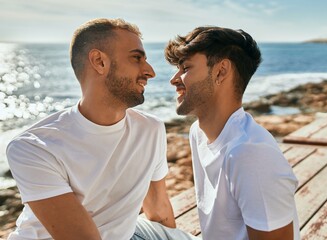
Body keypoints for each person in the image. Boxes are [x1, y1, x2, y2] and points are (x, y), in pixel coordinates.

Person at [6, 18, 198, 240]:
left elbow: (158, 209)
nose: (150, 72)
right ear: (99, 61)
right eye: (137, 58)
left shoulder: (150, 129)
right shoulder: (35, 147)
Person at [165, 26, 300, 240]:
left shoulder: (250, 154)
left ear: (221, 71)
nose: (174, 79)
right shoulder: (197, 133)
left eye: (186, 68)